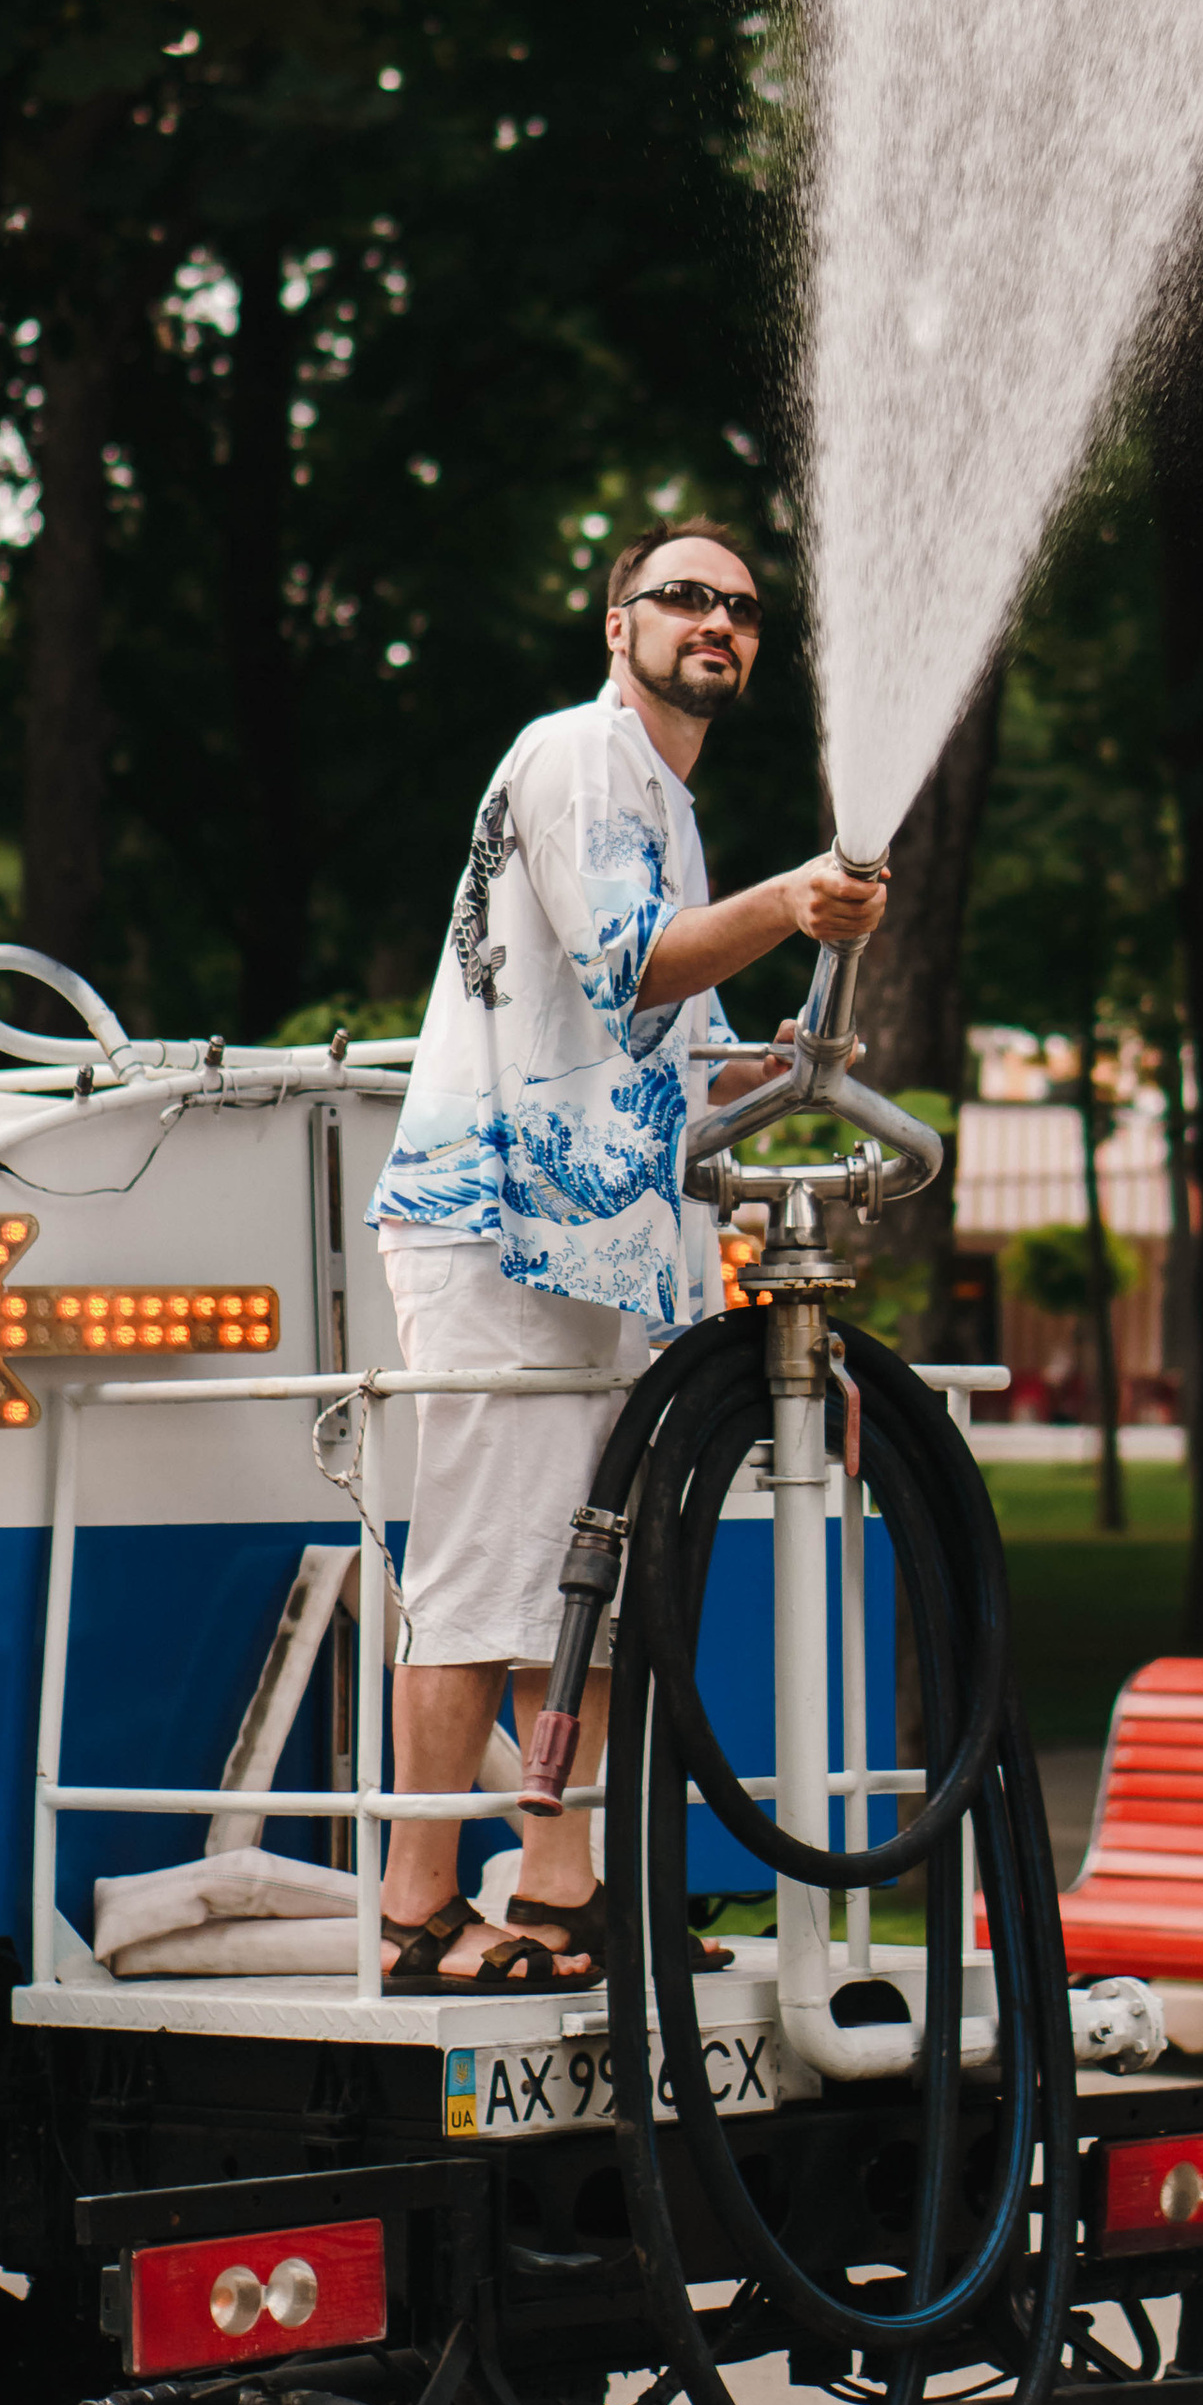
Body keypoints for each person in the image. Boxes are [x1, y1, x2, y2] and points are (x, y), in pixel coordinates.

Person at [366, 522, 887, 1992]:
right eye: (682, 599)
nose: (714, 621)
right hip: (504, 1224)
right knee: (482, 1574)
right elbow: (628, 963)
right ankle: (415, 1909)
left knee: (572, 1582)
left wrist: (763, 1068)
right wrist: (790, 906)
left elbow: (653, 1045)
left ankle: (559, 1889)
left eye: (739, 609)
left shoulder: (659, 795)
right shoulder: (584, 759)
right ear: (619, 627)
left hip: (593, 1245)